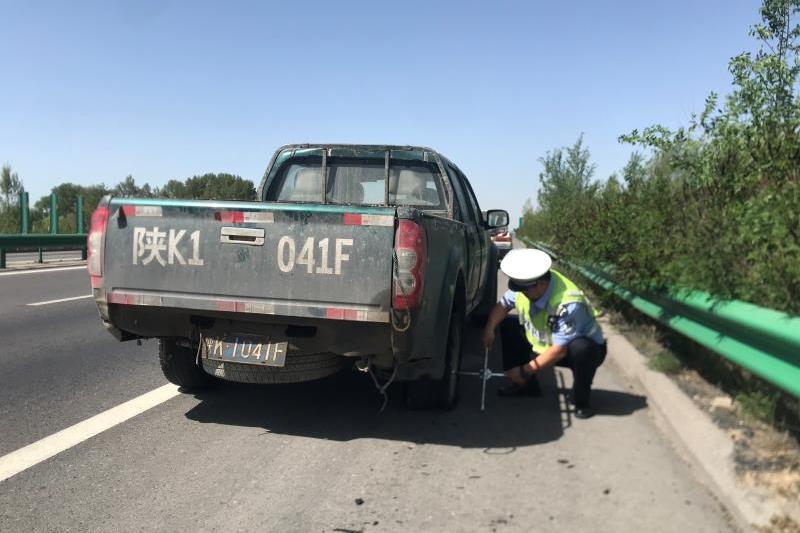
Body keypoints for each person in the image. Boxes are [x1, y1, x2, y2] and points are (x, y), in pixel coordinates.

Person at [481, 248, 607, 418]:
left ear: (540, 284)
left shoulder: (568, 302)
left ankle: (581, 401)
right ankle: (526, 386)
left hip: (574, 350)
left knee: (582, 348)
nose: (521, 293)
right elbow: (503, 305)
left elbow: (560, 349)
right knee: (509, 325)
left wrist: (524, 370)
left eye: (525, 289)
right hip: (543, 345)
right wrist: (489, 328)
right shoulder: (527, 283)